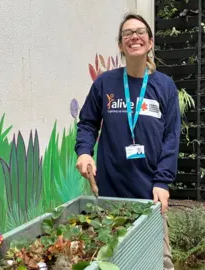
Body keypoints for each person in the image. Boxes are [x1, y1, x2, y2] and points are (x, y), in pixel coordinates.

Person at [75, 13, 180, 270]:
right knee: (112, 260)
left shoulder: (165, 86)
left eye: (141, 32)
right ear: (121, 45)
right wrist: (84, 152)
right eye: (127, 33)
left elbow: (171, 137)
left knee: (158, 262)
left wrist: (163, 181)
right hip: (110, 193)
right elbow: (87, 123)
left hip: (151, 194)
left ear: (151, 42)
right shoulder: (105, 83)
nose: (134, 36)